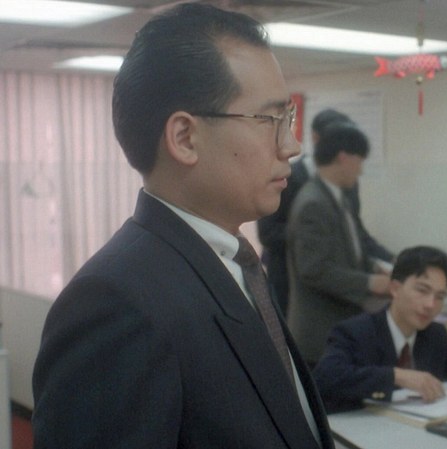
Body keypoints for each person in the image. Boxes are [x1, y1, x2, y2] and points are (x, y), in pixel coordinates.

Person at [31, 4, 333, 448]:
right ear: (185, 138)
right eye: (270, 120)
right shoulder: (117, 303)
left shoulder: (234, 263)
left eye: (287, 119)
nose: (291, 145)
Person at [313, 245, 447, 412]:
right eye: (422, 291)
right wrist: (397, 376)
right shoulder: (355, 331)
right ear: (395, 288)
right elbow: (326, 377)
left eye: (440, 296)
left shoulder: (434, 335)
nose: (430, 305)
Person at [257, 109, 393, 313]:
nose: (360, 170)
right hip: (292, 282)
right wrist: (317, 236)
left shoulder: (346, 184)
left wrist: (386, 262)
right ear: (316, 138)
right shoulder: (289, 177)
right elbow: (269, 233)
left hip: (340, 288)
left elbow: (354, 231)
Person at [287, 122, 392, 365]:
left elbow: (350, 251)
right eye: (360, 161)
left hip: (341, 327)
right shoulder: (313, 203)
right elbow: (314, 270)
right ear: (343, 157)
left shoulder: (337, 197)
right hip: (319, 333)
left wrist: (375, 267)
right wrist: (370, 282)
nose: (361, 171)